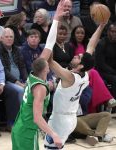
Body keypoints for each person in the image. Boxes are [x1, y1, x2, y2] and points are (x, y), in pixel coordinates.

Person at [38, 0, 106, 149]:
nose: (75, 56)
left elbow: (49, 58)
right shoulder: (85, 73)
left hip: (60, 121)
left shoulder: (70, 77)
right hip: (70, 119)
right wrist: (101, 26)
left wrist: (55, 21)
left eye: (78, 57)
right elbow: (91, 46)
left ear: (80, 65)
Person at [11, 1, 68, 149]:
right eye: (48, 63)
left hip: (21, 127)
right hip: (27, 132)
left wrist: (56, 18)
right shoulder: (40, 88)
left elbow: (49, 44)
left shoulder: (33, 74)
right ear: (46, 69)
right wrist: (54, 134)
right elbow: (37, 118)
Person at [68, 25, 116, 112]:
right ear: (73, 34)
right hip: (77, 70)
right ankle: (107, 100)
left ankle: (105, 102)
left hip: (86, 69)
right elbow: (70, 61)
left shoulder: (86, 45)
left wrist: (101, 26)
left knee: (93, 73)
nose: (80, 35)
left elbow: (90, 48)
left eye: (82, 33)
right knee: (95, 73)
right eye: (77, 33)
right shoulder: (70, 46)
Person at [0, 27, 27, 103]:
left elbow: (22, 67)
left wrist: (26, 80)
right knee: (21, 90)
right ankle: (21, 114)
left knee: (33, 88)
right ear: (1, 38)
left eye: (11, 37)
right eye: (6, 37)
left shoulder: (17, 49)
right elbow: (3, 70)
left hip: (19, 80)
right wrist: (18, 83)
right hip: (6, 81)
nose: (9, 39)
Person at [95, 22, 116, 99]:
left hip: (113, 69)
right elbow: (101, 64)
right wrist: (113, 72)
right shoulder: (102, 44)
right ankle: (114, 103)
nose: (114, 34)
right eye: (112, 31)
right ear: (108, 32)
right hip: (102, 71)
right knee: (114, 79)